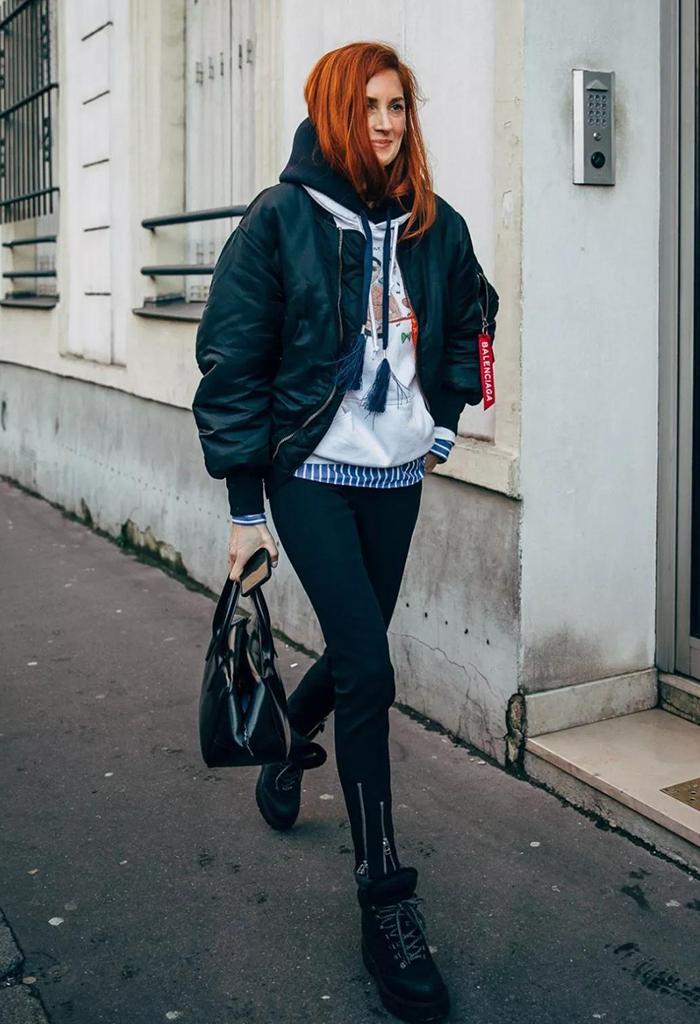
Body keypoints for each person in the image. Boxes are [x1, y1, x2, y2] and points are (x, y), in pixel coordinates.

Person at [192, 40, 498, 1024]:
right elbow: (233, 358)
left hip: (396, 475)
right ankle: (384, 899)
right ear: (334, 110)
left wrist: (444, 420)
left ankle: (286, 747)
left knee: (355, 655)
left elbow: (471, 314)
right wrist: (246, 511)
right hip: (309, 471)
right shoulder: (281, 219)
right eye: (369, 105)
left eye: (398, 105)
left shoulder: (434, 224)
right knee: (371, 668)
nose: (386, 122)